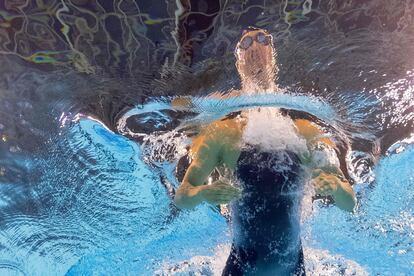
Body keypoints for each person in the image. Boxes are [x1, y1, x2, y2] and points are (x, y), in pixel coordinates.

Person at [173, 29, 356, 275]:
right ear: (238, 62)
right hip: (240, 267)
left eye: (263, 40)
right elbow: (182, 197)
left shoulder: (305, 132)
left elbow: (349, 202)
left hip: (293, 266)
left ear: (273, 55)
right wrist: (204, 193)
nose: (255, 48)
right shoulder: (222, 134)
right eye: (245, 44)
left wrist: (334, 186)